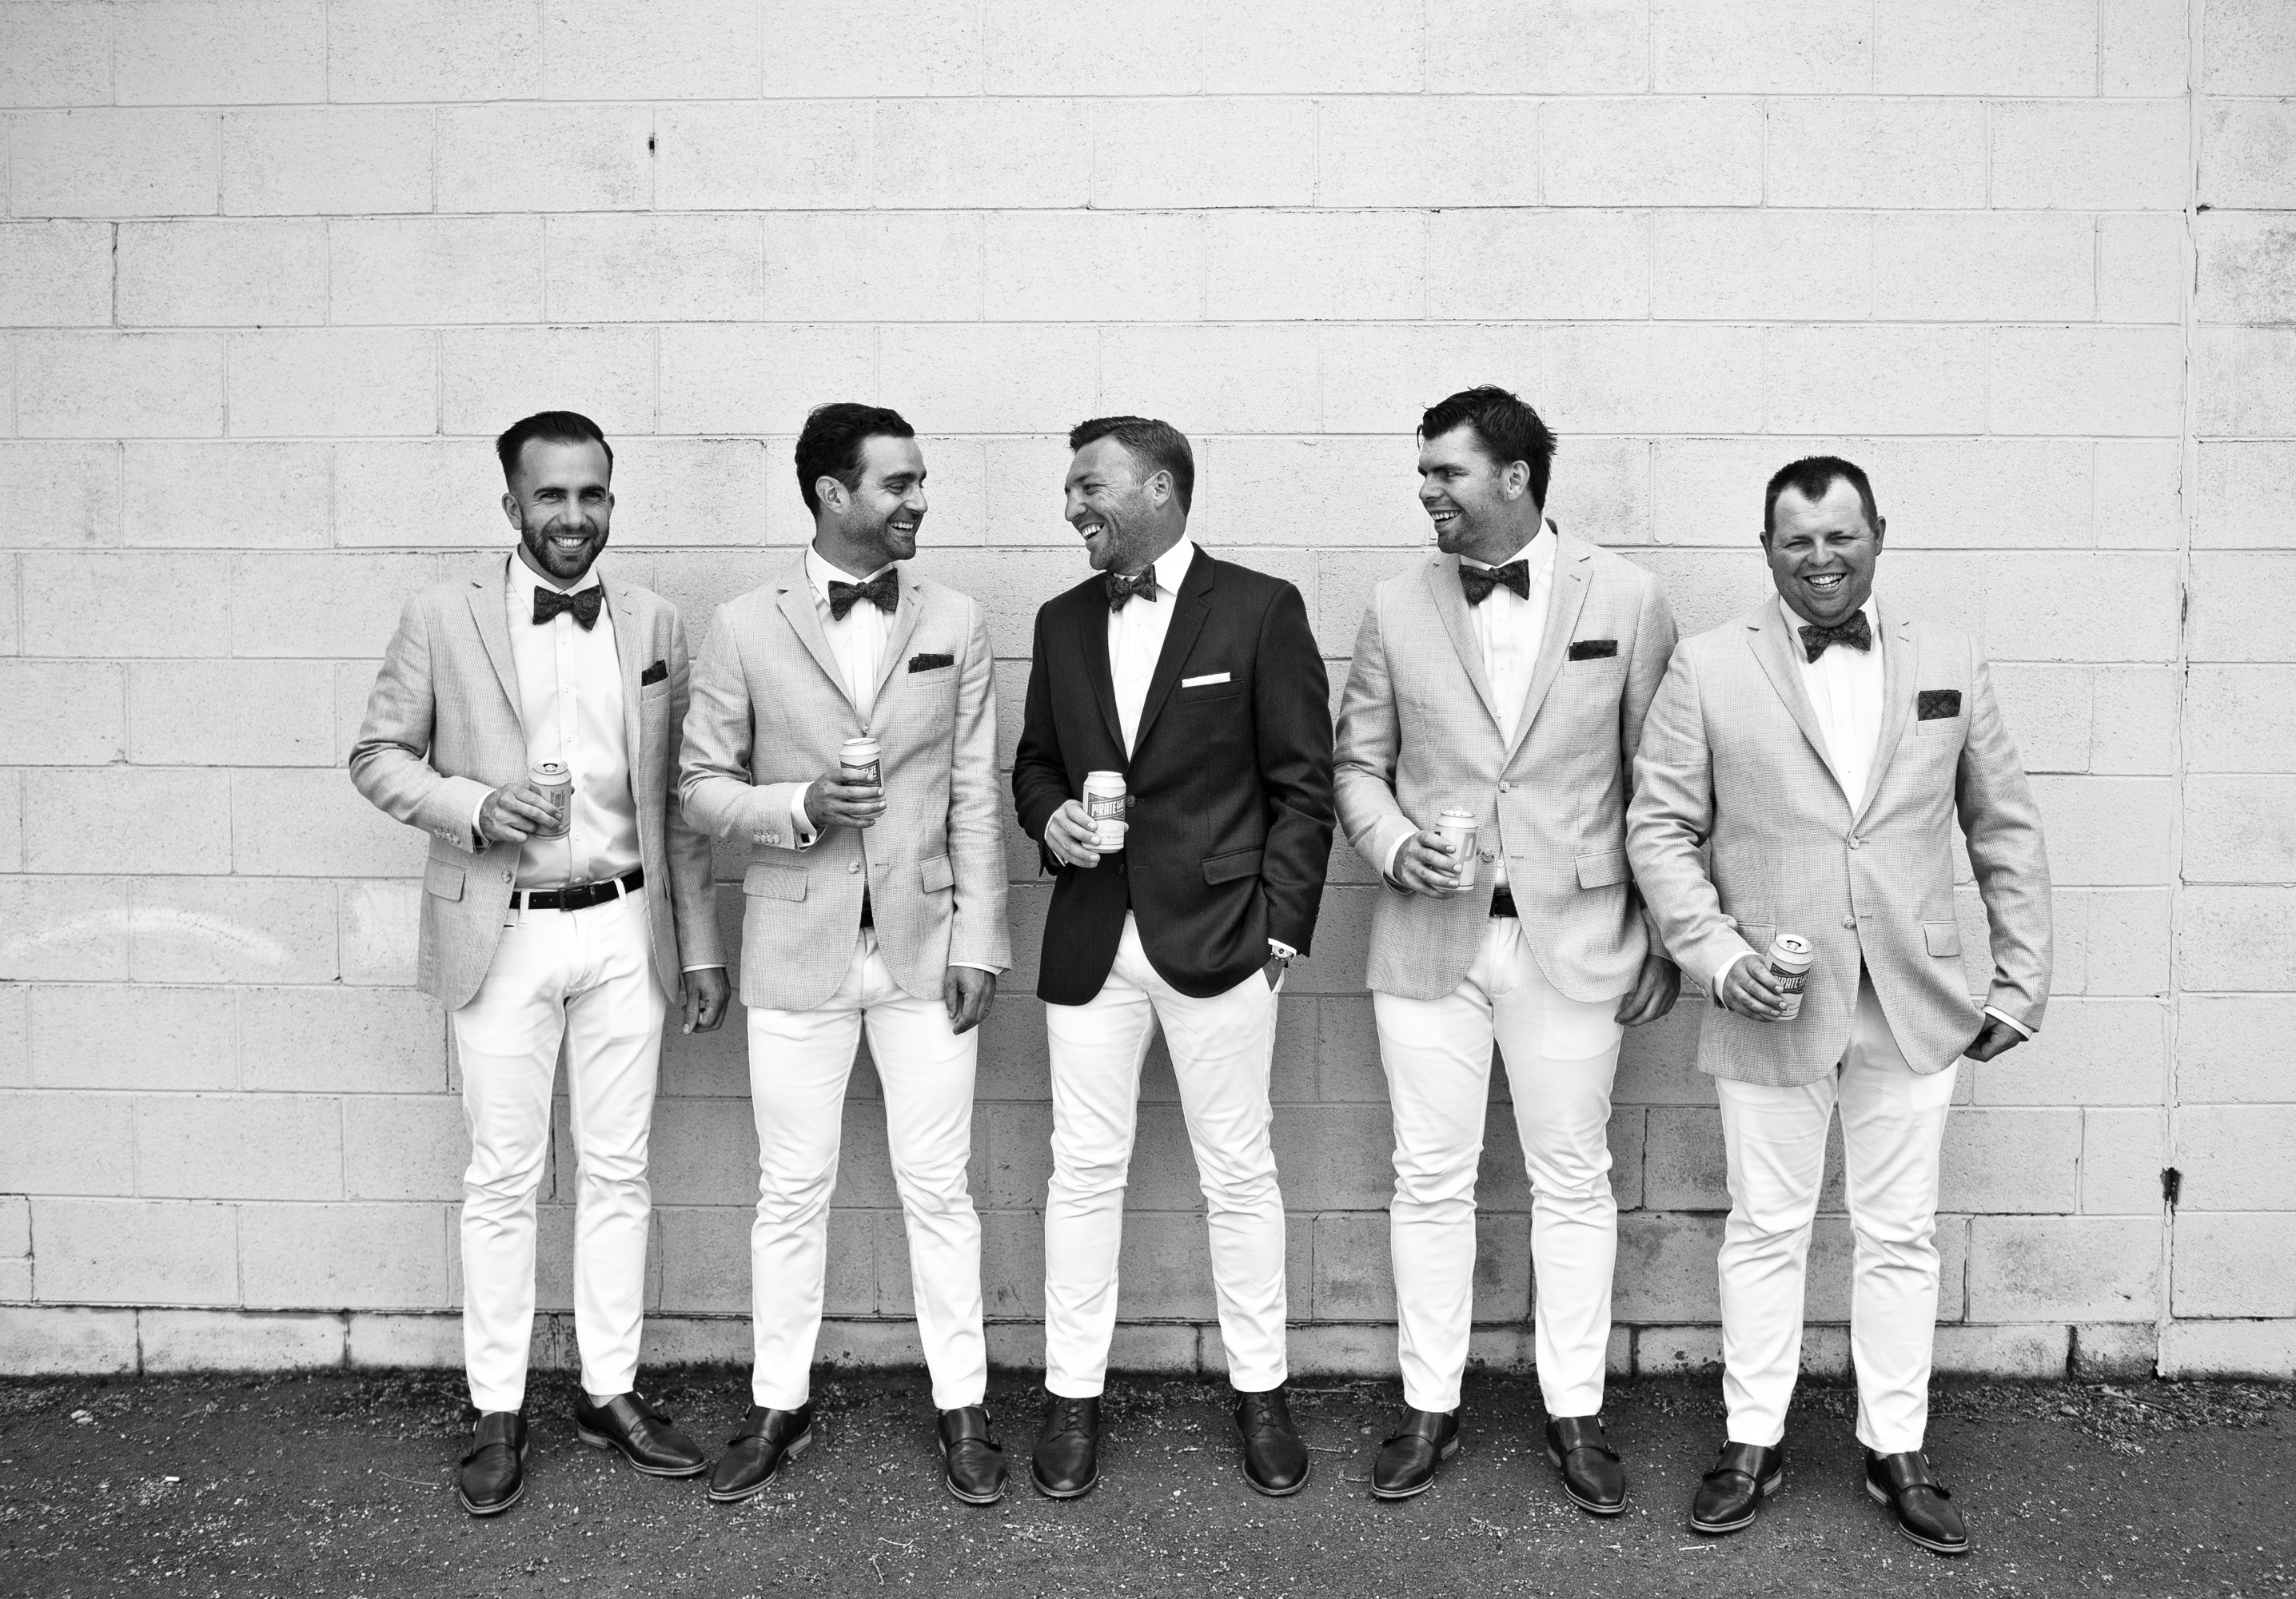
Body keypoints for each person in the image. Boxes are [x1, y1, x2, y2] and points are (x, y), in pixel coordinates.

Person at [1626, 456, 2051, 1556]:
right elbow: (1660, 828)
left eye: (1840, 536)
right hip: (1769, 996)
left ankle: (1894, 1446)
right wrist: (1717, 957)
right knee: (1765, 1227)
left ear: (1879, 535)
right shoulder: (1709, 665)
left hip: (1914, 997)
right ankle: (1751, 1443)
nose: (1821, 558)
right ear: (1767, 549)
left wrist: (2021, 980)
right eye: (1798, 540)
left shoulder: (1950, 659)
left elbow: (2002, 825)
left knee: (1901, 1232)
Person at [350, 410, 728, 1517]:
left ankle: (610, 1390)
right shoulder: (442, 616)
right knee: (502, 1177)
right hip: (500, 929)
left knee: (619, 1170)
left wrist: (699, 947)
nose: (573, 516)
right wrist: (477, 805)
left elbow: (678, 803)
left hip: (624, 930)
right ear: (511, 504)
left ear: (612, 499)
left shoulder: (654, 619)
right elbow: (377, 756)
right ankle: (497, 1408)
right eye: (551, 496)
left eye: (591, 494)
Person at [1332, 386, 1680, 1512]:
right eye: (1424, 473)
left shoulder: (1627, 599)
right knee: (1428, 1177)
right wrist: (1394, 847)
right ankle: (1428, 1406)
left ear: (1516, 477)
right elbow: (1357, 765)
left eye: (1447, 472)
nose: (1426, 491)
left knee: (1573, 1178)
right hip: (1428, 938)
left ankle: (1575, 1411)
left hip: (1574, 937)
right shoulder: (1396, 605)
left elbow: (1662, 784)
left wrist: (1665, 938)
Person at [679, 403, 1010, 1506]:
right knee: (790, 1190)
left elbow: (973, 792)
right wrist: (800, 806)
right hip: (794, 946)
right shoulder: (743, 626)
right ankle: (778, 1402)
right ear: (832, 493)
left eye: (920, 482)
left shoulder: (956, 618)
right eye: (897, 483)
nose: (919, 500)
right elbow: (700, 788)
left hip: (925, 950)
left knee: (940, 1190)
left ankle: (964, 1408)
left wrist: (982, 939)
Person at [1012, 415, 1335, 1499]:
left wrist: (1281, 931)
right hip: (1091, 941)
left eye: (1089, 486)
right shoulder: (1060, 621)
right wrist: (1050, 817)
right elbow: (1034, 764)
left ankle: (1262, 1391)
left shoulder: (1260, 608)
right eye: (1069, 489)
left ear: (1159, 487)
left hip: (1224, 940)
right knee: (1082, 1172)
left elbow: (1303, 785)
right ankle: (1071, 1396)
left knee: (1239, 1172)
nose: (1072, 507)